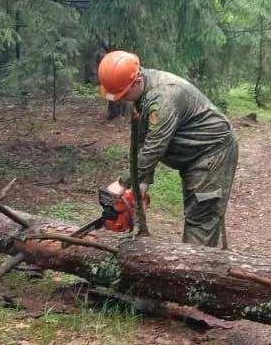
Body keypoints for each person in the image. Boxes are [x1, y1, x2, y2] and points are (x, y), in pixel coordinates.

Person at [98, 50, 238, 248]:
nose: (120, 99)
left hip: (212, 151)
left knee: (201, 215)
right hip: (192, 154)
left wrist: (123, 182)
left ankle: (196, 272)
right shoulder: (142, 95)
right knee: (197, 211)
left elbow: (155, 145)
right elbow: (141, 142)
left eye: (122, 94)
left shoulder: (164, 97)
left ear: (137, 81)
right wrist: (141, 183)